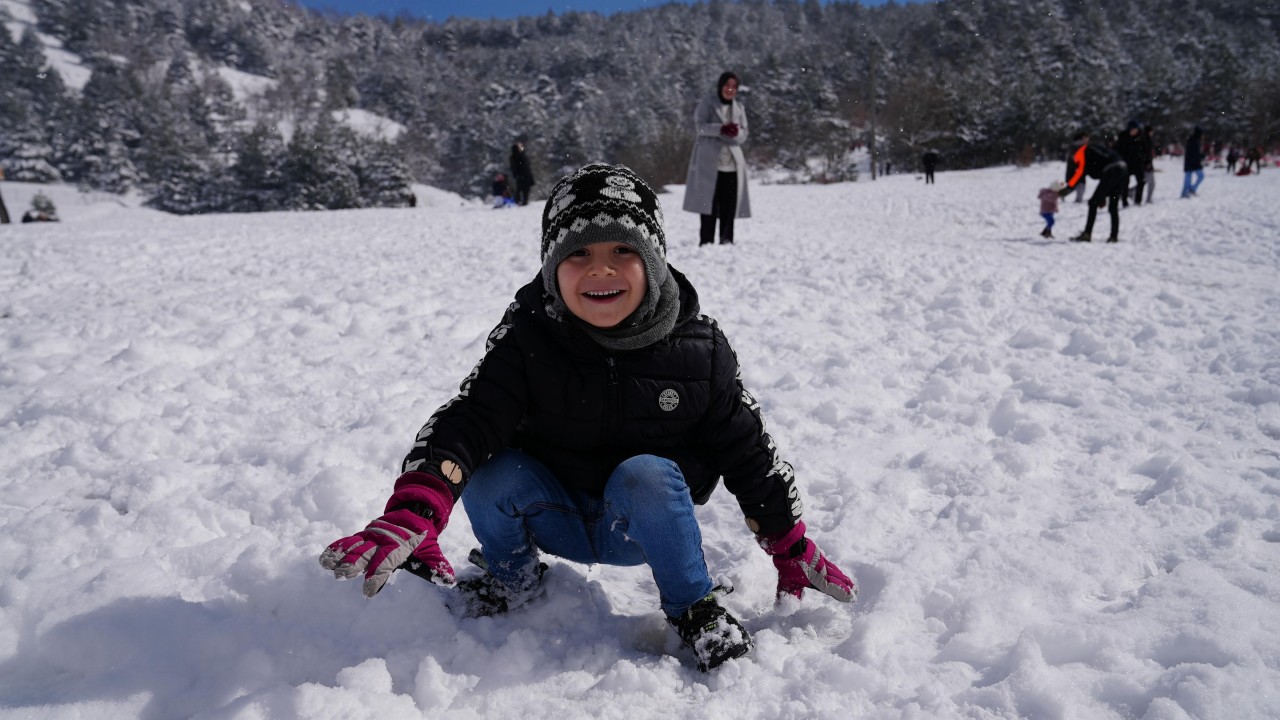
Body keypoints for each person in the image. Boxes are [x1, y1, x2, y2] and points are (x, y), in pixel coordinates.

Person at [319, 163, 855, 672]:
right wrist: (420, 508)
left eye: (623, 249)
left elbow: (748, 452)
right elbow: (470, 420)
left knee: (646, 472)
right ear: (553, 269)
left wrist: (789, 545)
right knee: (492, 469)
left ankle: (694, 607)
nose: (601, 268)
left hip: (644, 529)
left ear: (654, 260)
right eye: (580, 253)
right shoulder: (528, 341)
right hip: (554, 512)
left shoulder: (699, 351)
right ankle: (513, 579)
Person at [683, 71, 751, 246]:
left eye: (734, 87)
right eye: (727, 85)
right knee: (708, 204)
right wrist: (721, 129)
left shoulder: (739, 108)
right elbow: (700, 127)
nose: (730, 90)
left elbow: (744, 133)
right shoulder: (707, 104)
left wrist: (736, 133)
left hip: (732, 165)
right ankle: (706, 241)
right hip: (709, 163)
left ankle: (727, 240)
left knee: (729, 205)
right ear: (720, 86)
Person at [1060, 130, 1127, 243]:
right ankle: (1113, 236)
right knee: (1113, 206)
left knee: (1093, 203)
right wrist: (1103, 196)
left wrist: (1064, 191)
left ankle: (1087, 234)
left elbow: (1079, 174)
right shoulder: (1095, 147)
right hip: (1123, 171)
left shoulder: (1083, 151)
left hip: (1112, 171)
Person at [1114, 120, 1151, 206]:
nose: (1135, 131)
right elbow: (1117, 151)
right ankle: (1124, 201)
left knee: (1141, 181)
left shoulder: (1141, 137)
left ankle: (1138, 201)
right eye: (1133, 129)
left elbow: (1146, 150)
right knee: (1125, 183)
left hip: (1138, 163)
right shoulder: (1122, 137)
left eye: (1136, 129)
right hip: (1126, 163)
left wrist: (1147, 162)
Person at [1181, 126, 1204, 198]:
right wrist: (1200, 158)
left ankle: (1190, 190)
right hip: (1191, 163)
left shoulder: (1194, 140)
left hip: (1191, 162)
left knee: (1191, 178)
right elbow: (1193, 153)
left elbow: (1194, 153)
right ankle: (1186, 193)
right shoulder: (1194, 140)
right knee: (1189, 178)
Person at [509, 142, 535, 206]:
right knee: (522, 189)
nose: (522, 147)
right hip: (522, 175)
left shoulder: (520, 155)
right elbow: (514, 167)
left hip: (524, 175)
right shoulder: (517, 156)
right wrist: (516, 174)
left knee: (523, 189)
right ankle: (520, 201)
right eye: (520, 146)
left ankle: (522, 201)